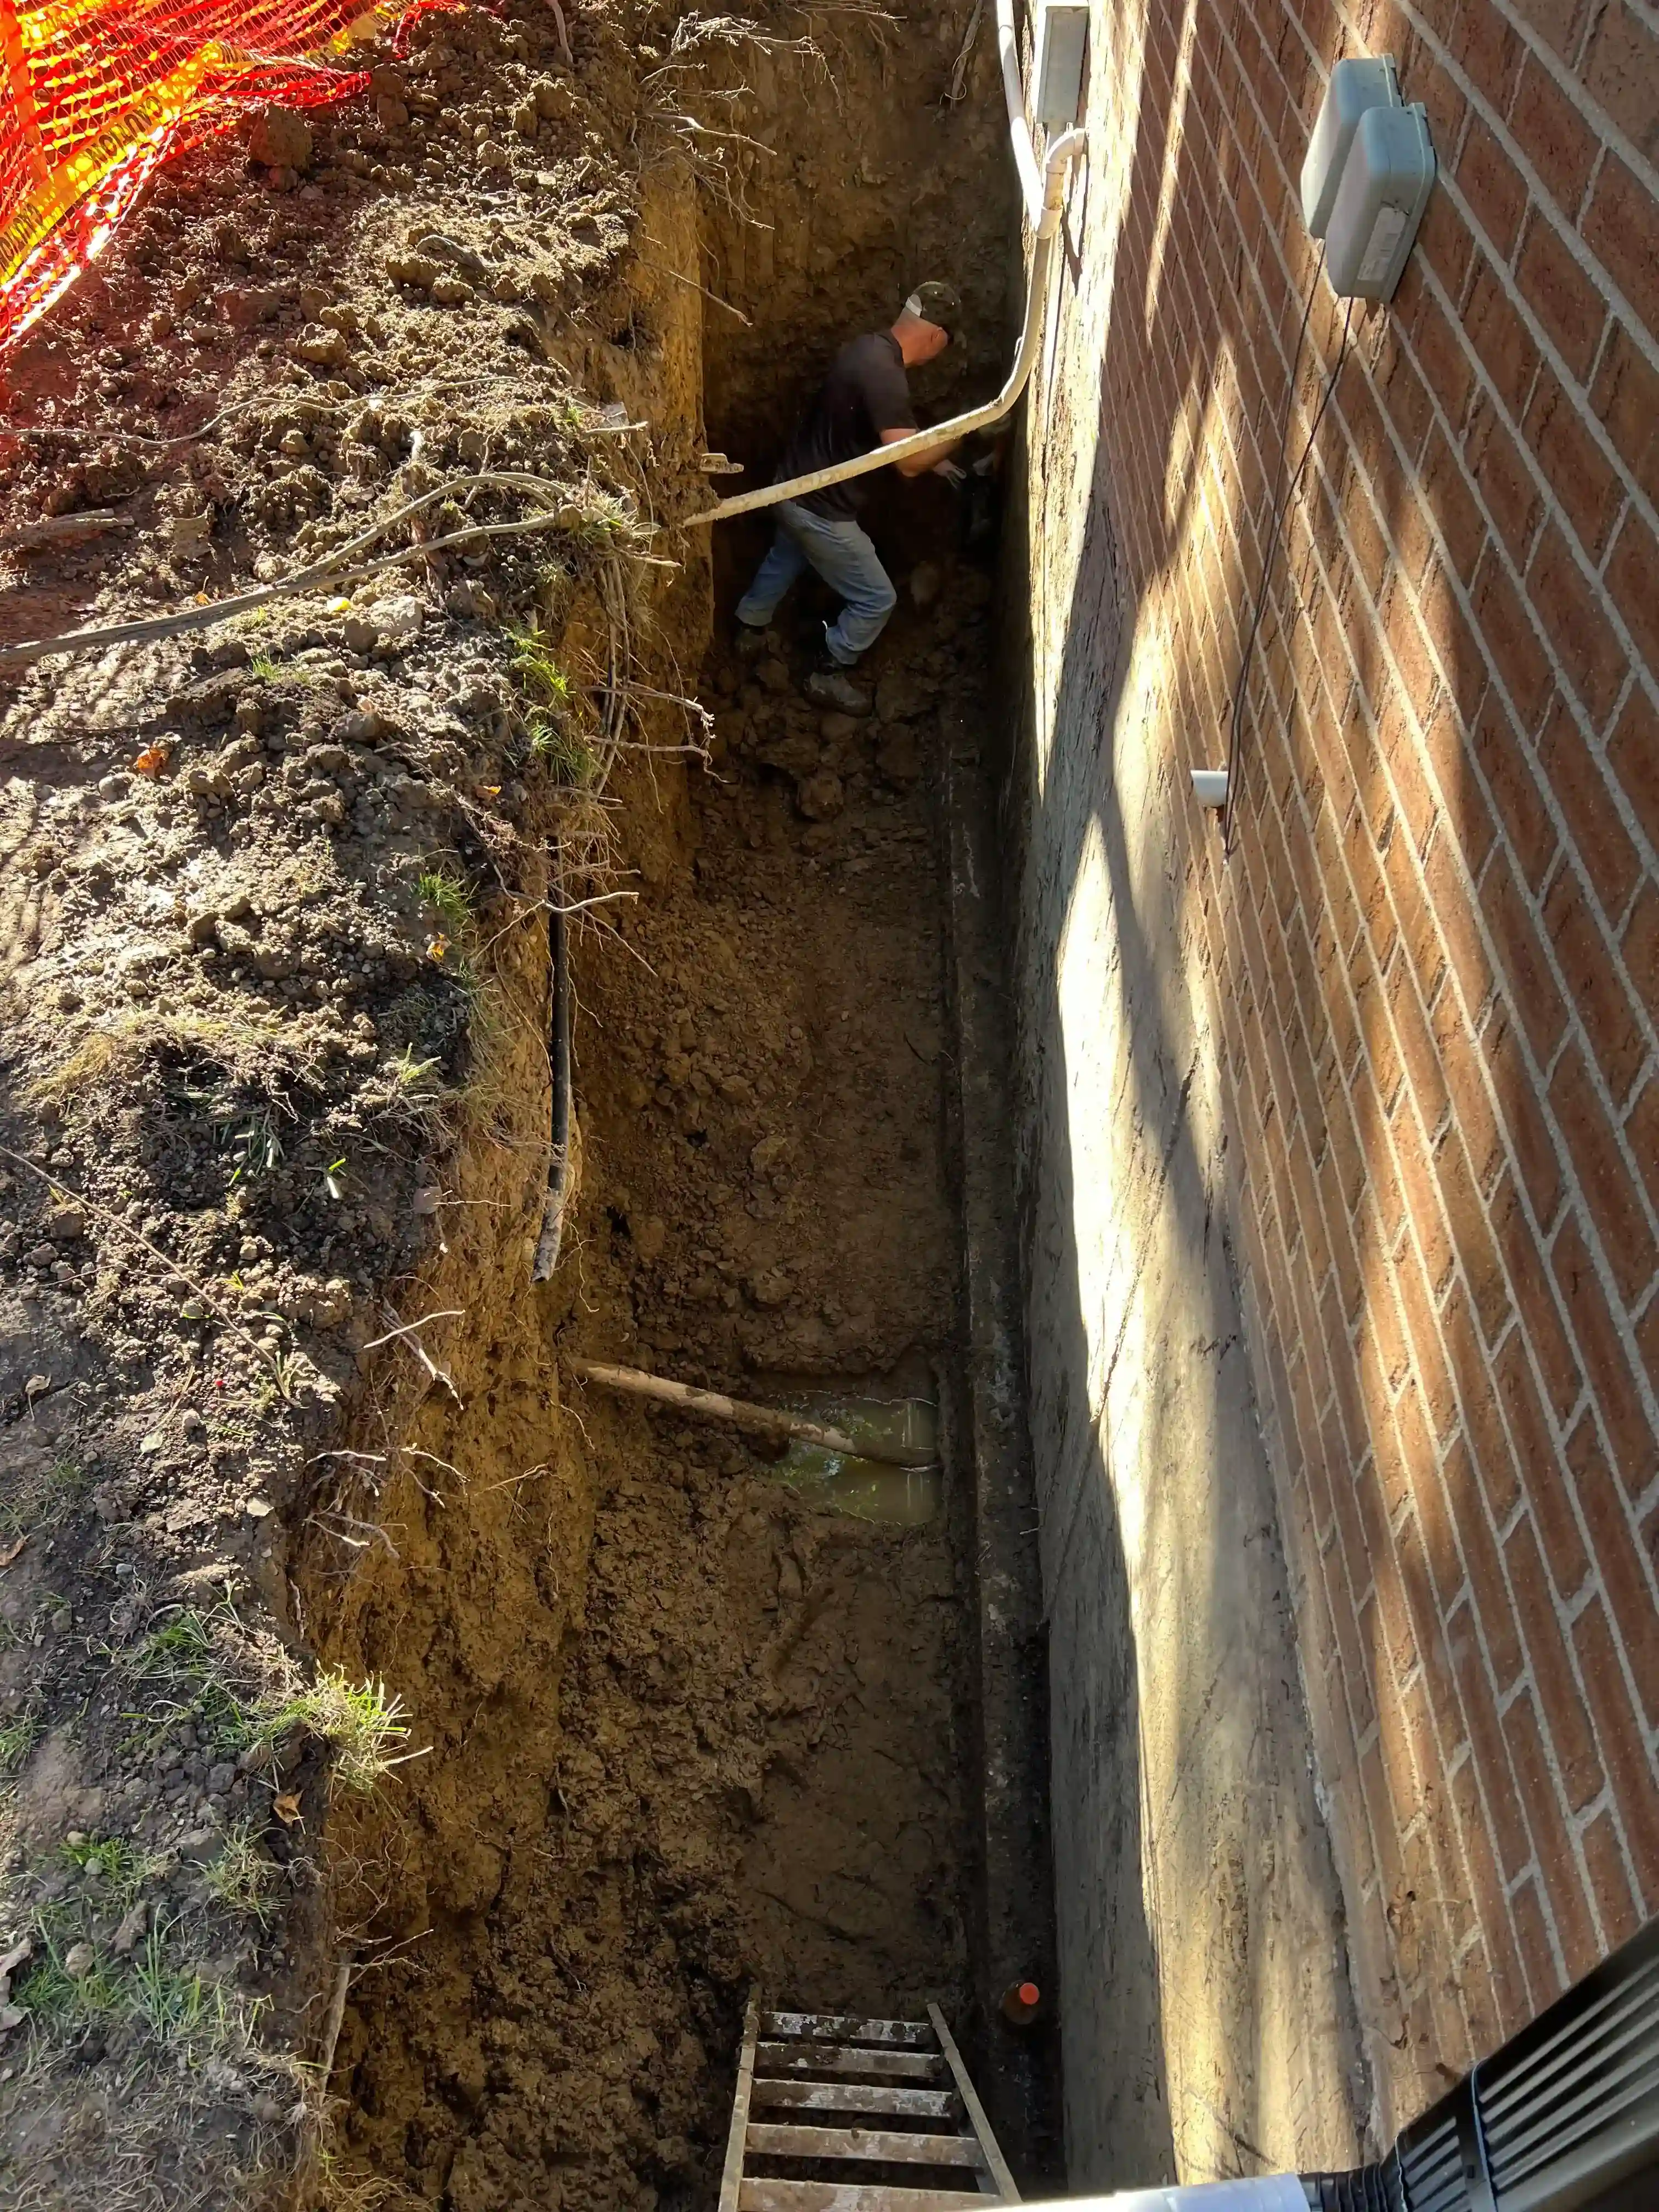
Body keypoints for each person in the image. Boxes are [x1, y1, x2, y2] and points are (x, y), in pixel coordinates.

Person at [735, 281, 964, 710]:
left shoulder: (867, 351)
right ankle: (829, 667)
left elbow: (887, 432)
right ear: (936, 337)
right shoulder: (888, 378)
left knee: (787, 555)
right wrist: (961, 438)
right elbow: (906, 461)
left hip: (792, 490)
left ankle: (749, 627)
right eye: (946, 345)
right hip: (821, 512)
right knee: (878, 599)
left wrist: (940, 462)